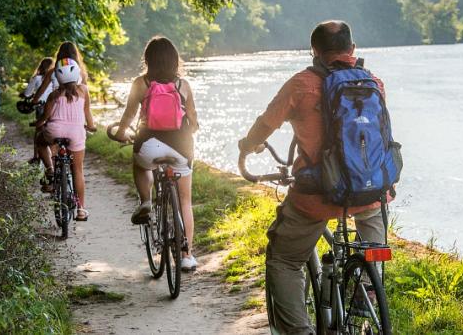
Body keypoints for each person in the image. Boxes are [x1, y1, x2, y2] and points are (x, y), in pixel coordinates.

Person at [238, 21, 391, 334]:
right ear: (353, 49)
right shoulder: (373, 82)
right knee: (372, 243)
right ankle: (367, 289)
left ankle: (300, 331)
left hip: (317, 195)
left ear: (314, 52)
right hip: (370, 193)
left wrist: (248, 146)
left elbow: (266, 124)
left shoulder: (301, 84)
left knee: (284, 258)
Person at [114, 36, 200, 271]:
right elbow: (193, 121)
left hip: (148, 145)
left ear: (148, 60)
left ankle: (146, 201)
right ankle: (186, 256)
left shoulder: (141, 83)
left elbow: (129, 117)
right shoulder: (183, 86)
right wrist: (187, 132)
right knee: (185, 201)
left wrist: (121, 133)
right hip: (181, 148)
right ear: (175, 60)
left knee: (141, 164)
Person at [36, 58, 96, 221]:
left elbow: (45, 117)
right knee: (78, 170)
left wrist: (37, 123)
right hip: (76, 133)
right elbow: (87, 113)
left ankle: (51, 169)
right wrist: (92, 126)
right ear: (77, 73)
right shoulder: (83, 90)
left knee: (40, 142)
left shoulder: (54, 94)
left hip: (55, 131)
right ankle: (81, 210)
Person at [22, 57, 57, 163]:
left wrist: (31, 97)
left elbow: (27, 93)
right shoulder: (55, 77)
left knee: (39, 130)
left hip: (41, 106)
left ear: (41, 66)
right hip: (54, 105)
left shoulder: (37, 78)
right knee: (53, 130)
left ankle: (36, 157)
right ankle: (52, 156)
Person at [32, 41, 89, 105]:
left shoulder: (52, 71)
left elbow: (42, 89)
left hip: (56, 105)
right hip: (76, 106)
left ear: (59, 54)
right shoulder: (81, 72)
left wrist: (34, 101)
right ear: (75, 55)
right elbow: (85, 91)